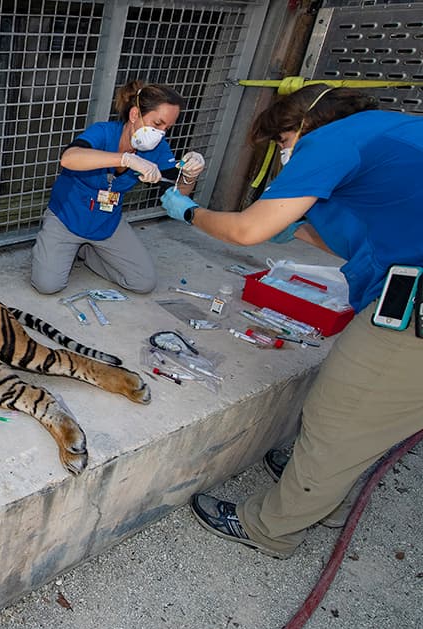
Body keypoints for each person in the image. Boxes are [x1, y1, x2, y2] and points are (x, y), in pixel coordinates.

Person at [161, 84, 423, 558]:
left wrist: (190, 212)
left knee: (338, 415)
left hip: (414, 318)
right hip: (407, 284)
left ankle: (270, 527)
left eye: (281, 144)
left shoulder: (331, 141)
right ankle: (323, 495)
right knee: (364, 419)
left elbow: (246, 230)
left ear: (299, 126)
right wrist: (298, 227)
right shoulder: (391, 130)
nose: (284, 155)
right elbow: (367, 237)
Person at [30, 81, 206, 295]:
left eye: (167, 128)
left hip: (107, 223)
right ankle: (65, 247)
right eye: (157, 123)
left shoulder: (158, 148)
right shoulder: (103, 132)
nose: (161, 133)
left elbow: (177, 197)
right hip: (67, 218)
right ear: (134, 115)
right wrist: (126, 159)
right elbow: (69, 158)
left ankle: (86, 251)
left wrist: (190, 175)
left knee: (143, 282)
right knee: (47, 285)